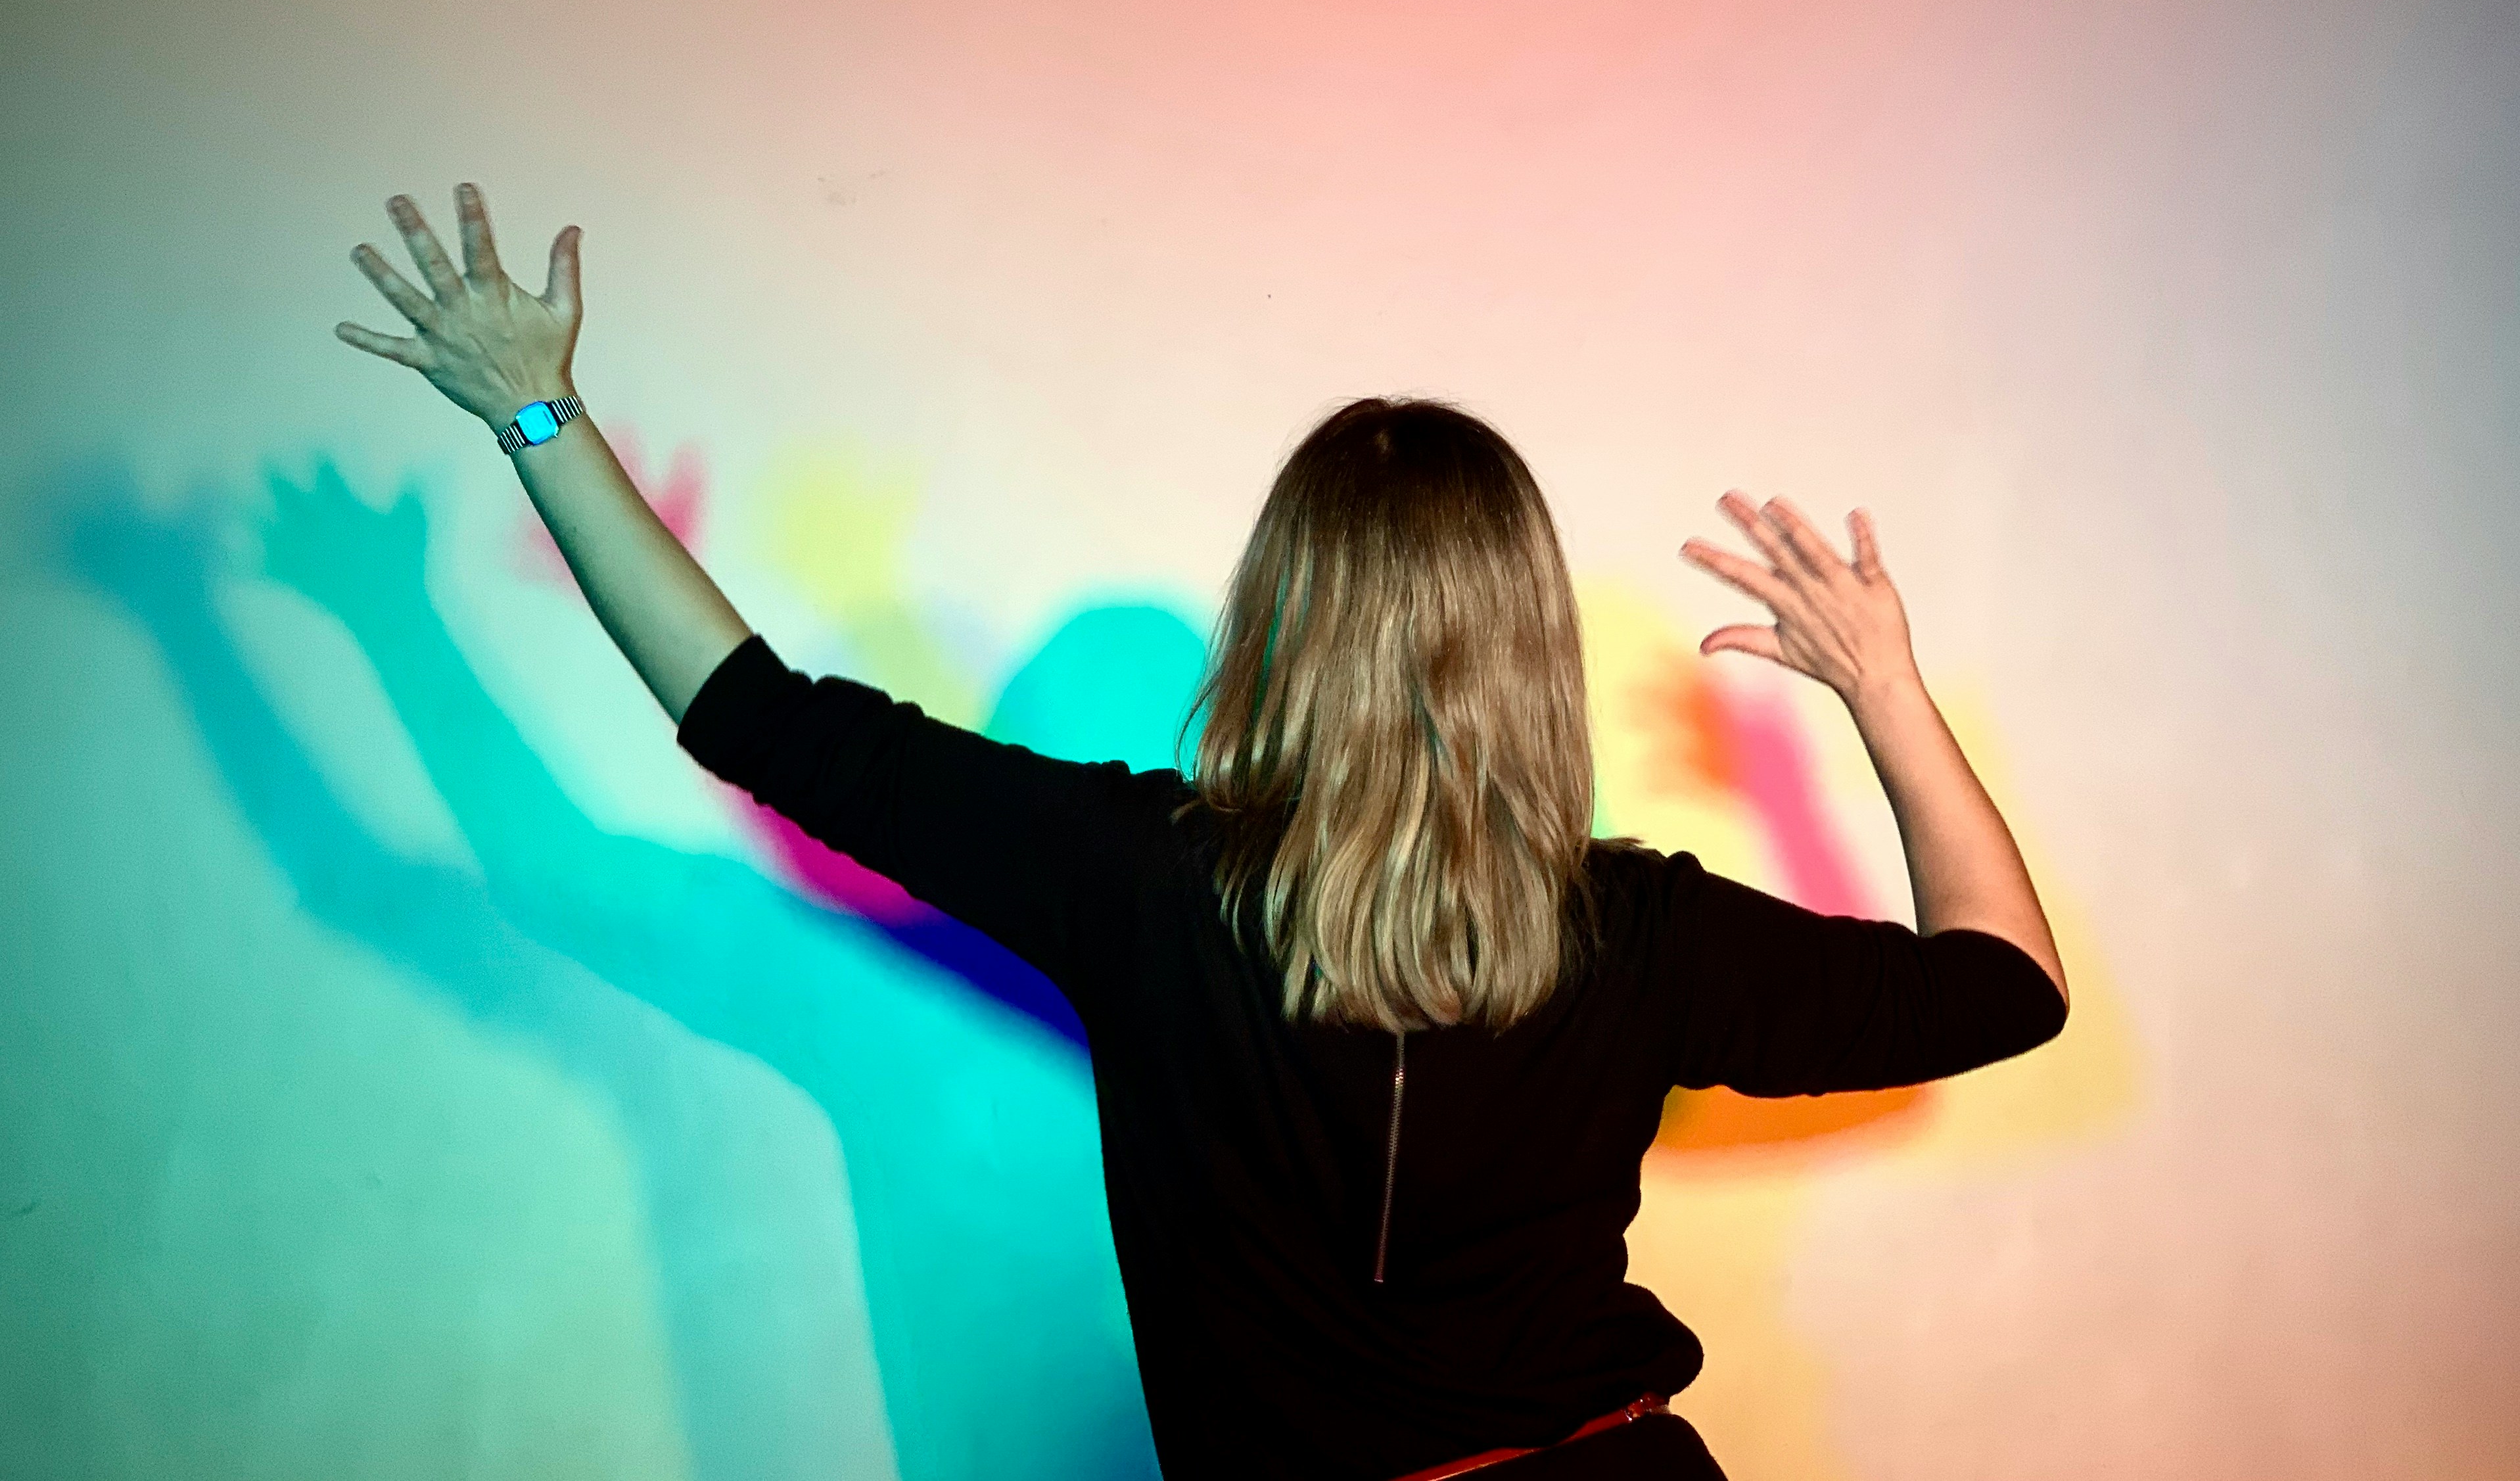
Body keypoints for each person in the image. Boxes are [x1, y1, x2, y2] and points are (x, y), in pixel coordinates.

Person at [336, 185, 2070, 1480]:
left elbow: (758, 719)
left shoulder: (1146, 881)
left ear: (1278, 625)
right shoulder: (1638, 928)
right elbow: (2000, 989)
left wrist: (539, 421)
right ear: (1523, 638)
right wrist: (1869, 689)